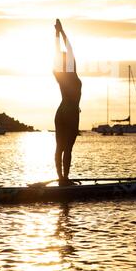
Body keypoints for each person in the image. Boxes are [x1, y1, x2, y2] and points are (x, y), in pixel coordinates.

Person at [53, 19, 82, 186]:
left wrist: (57, 34)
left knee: (60, 147)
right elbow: (68, 49)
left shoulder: (61, 75)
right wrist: (61, 32)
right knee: (67, 148)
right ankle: (64, 178)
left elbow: (60, 51)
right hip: (70, 113)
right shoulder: (70, 74)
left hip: (62, 112)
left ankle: (61, 178)